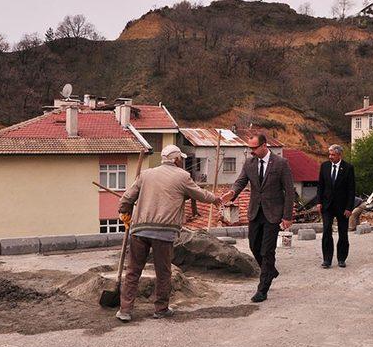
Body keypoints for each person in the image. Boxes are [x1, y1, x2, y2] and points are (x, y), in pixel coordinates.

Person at [115, 144, 222, 322]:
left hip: (139, 230)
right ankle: (161, 309)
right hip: (164, 233)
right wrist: (215, 199)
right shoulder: (182, 176)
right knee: (163, 272)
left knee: (133, 271)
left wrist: (124, 212)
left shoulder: (146, 174)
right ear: (177, 159)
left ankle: (125, 310)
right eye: (181, 159)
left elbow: (127, 198)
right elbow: (200, 194)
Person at [222, 134, 295, 303]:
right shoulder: (249, 163)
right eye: (250, 148)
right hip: (255, 211)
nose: (252, 151)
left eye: (254, 148)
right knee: (254, 245)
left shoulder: (280, 163)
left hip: (273, 213)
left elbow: (289, 191)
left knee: (267, 250)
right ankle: (270, 271)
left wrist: (287, 216)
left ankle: (262, 289)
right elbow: (240, 182)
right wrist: (232, 193)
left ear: (264, 146)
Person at [316, 144, 356, 268]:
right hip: (327, 206)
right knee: (327, 231)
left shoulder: (348, 168)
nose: (330, 157)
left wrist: (349, 208)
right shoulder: (324, 166)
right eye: (329, 154)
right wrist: (319, 202)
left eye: (333, 154)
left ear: (339, 155)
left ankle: (341, 258)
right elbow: (320, 186)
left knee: (342, 233)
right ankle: (327, 259)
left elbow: (351, 189)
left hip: (342, 207)